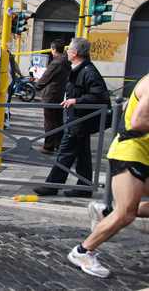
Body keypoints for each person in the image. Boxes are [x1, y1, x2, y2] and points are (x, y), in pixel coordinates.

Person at [67, 74, 149, 279]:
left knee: (124, 211)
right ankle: (83, 251)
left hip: (144, 154)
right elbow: (138, 121)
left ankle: (107, 213)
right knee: (126, 214)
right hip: (130, 152)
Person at [33, 38, 111, 198]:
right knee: (82, 155)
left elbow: (99, 97)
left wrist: (76, 100)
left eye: (69, 50)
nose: (66, 52)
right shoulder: (80, 69)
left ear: (75, 53)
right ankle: (85, 186)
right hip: (79, 119)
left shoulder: (88, 71)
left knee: (65, 153)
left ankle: (52, 185)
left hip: (80, 120)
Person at [35, 39, 71, 154]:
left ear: (54, 50)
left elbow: (46, 77)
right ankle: (57, 144)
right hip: (59, 94)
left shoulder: (56, 63)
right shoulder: (66, 61)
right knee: (57, 120)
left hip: (50, 95)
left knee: (49, 121)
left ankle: (48, 146)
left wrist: (37, 86)